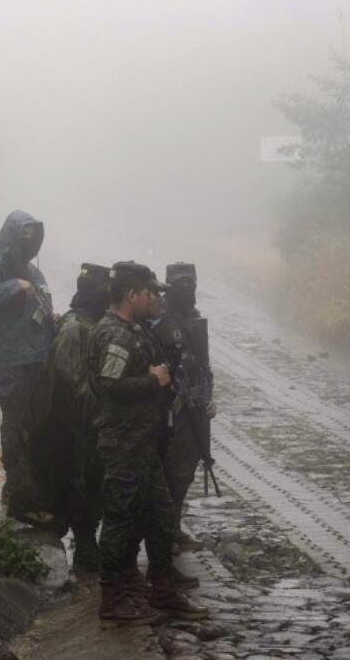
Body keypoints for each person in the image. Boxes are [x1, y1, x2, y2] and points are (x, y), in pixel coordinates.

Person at [90, 262, 208, 627]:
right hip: (124, 445)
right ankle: (113, 599)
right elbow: (109, 388)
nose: (156, 298)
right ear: (132, 295)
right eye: (150, 293)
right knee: (120, 522)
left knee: (161, 519)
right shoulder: (115, 335)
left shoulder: (134, 330)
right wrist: (152, 381)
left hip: (145, 444)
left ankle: (163, 592)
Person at [0, 210, 54, 520]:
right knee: (15, 428)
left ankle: (33, 492)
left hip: (38, 361)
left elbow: (46, 308)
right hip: (12, 363)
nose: (28, 243)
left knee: (37, 429)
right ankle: (16, 491)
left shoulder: (35, 273)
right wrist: (16, 287)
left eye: (33, 236)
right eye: (23, 235)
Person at [42, 263, 110, 570]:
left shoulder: (89, 325)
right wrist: (100, 409)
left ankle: (85, 542)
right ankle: (83, 545)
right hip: (77, 427)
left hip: (86, 425)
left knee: (91, 485)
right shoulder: (76, 329)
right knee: (82, 486)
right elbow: (70, 381)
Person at [151, 262, 217, 555]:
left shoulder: (194, 317)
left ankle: (172, 528)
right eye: (180, 283)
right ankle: (162, 535)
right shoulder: (158, 320)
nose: (186, 288)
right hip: (171, 410)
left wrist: (208, 396)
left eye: (190, 282)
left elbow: (203, 365)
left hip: (196, 407)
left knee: (186, 471)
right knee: (170, 475)